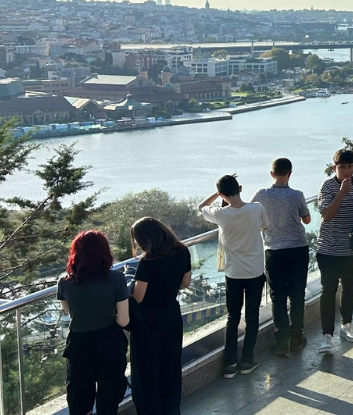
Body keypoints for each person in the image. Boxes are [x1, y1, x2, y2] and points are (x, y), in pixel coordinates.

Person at [198, 175, 267, 378]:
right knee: (252, 315)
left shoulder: (220, 214)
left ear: (221, 194)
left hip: (233, 273)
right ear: (240, 188)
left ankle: (230, 364)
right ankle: (247, 360)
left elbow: (201, 206)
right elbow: (265, 227)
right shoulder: (256, 208)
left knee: (233, 317)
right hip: (255, 271)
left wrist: (216, 194)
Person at [59, 230, 129, 415]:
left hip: (79, 344)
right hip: (109, 340)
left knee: (79, 397)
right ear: (105, 252)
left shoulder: (64, 281)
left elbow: (68, 311)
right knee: (109, 394)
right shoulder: (116, 279)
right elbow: (123, 320)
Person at [129, 217, 192, 415]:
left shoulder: (147, 262)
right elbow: (186, 282)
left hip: (148, 322)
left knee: (147, 372)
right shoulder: (182, 251)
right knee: (171, 367)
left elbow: (138, 297)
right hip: (172, 316)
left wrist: (129, 281)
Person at [251, 158, 312, 357]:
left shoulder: (261, 194)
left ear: (272, 174)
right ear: (290, 173)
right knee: (297, 294)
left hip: (274, 250)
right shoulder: (297, 195)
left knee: (277, 297)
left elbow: (249, 212)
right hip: (298, 248)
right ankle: (297, 337)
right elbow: (307, 219)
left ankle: (281, 341)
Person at [317, 148, 353, 353]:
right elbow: (326, 215)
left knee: (349, 287)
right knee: (328, 290)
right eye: (341, 168)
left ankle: (347, 324)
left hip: (350, 247)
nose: (346, 172)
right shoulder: (328, 186)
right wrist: (342, 192)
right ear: (334, 167)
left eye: (349, 167)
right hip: (328, 248)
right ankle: (326, 335)